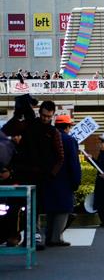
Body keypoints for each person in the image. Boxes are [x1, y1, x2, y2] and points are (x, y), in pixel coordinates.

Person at [12, 100, 64, 249]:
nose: (45, 118)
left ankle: (34, 238)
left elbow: (60, 157)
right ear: (39, 112)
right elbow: (13, 133)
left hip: (42, 176)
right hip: (23, 173)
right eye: (43, 115)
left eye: (49, 116)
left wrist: (51, 174)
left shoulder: (53, 132)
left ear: (53, 116)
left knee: (36, 208)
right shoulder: (29, 125)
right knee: (21, 207)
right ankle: (25, 237)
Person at [45, 115, 81, 247]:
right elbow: (74, 163)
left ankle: (48, 237)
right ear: (67, 127)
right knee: (63, 208)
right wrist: (77, 180)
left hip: (49, 178)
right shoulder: (69, 140)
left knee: (51, 209)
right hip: (64, 179)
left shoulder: (47, 138)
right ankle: (56, 238)